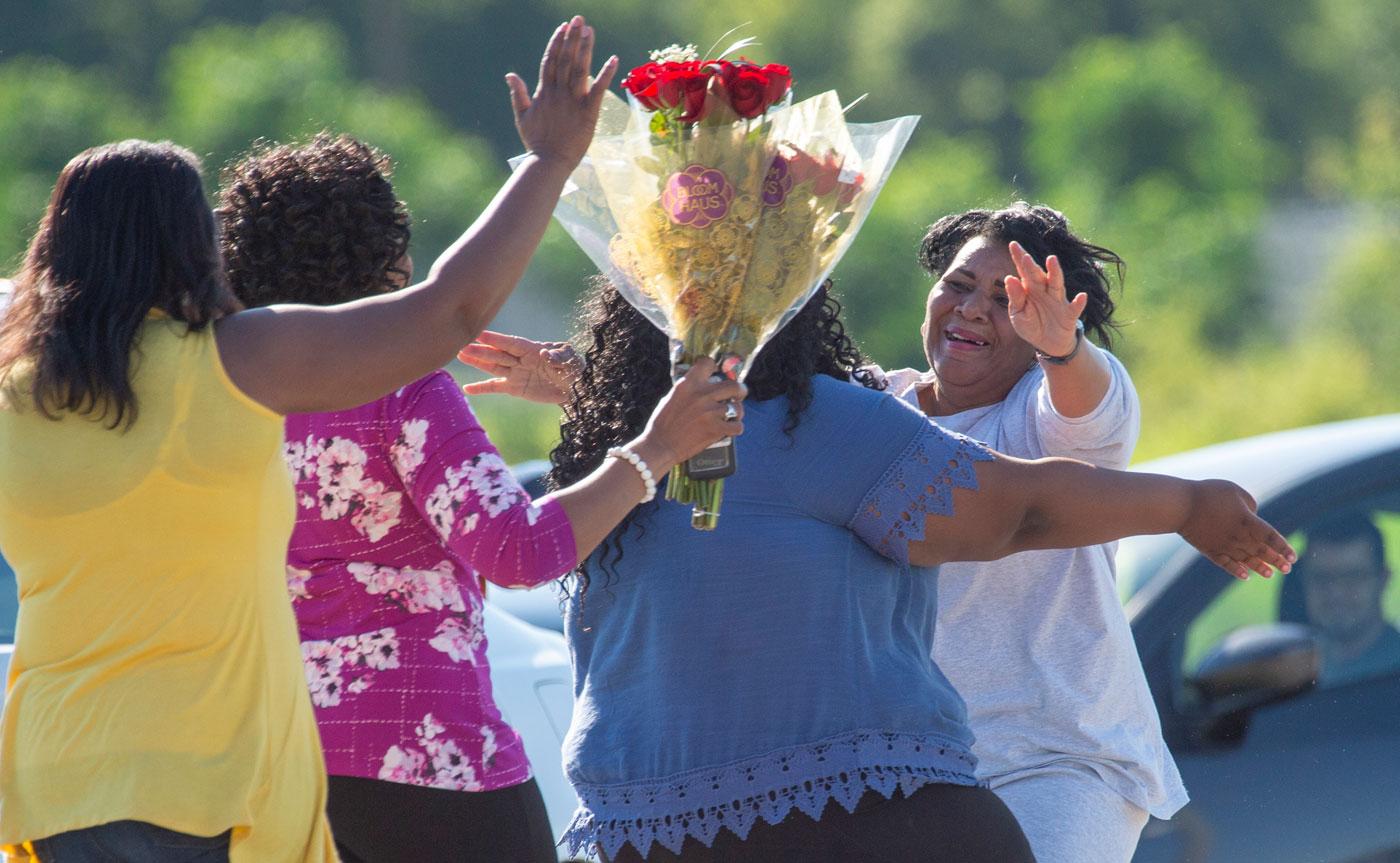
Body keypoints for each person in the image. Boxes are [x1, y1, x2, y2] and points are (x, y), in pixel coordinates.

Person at [0, 18, 719, 862]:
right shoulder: (264, 370)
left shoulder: (24, 386)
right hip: (356, 764)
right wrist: (652, 449)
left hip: (55, 771)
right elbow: (515, 532)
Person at [543, 278, 1292, 863]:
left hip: (685, 833)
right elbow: (1018, 510)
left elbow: (1029, 495)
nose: (973, 309)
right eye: (961, 287)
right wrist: (1187, 503)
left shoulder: (620, 464)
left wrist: (1188, 502)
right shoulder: (798, 427)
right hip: (853, 825)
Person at [215, 132, 741, 863]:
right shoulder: (401, 384)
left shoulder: (223, 392)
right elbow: (520, 551)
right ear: (384, 254)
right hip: (429, 759)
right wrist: (656, 449)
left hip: (271, 765)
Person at [864, 202, 1185, 862]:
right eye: (958, 284)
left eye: (1007, 300)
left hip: (1063, 761)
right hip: (917, 769)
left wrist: (1062, 349)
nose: (975, 308)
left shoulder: (1043, 422)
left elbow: (1087, 401)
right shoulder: (871, 410)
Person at [1296, 514, 1400, 685]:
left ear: (1383, 580)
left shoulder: (1394, 670)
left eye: (1353, 577)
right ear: (1303, 582)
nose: (1336, 592)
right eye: (1322, 578)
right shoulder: (1290, 673)